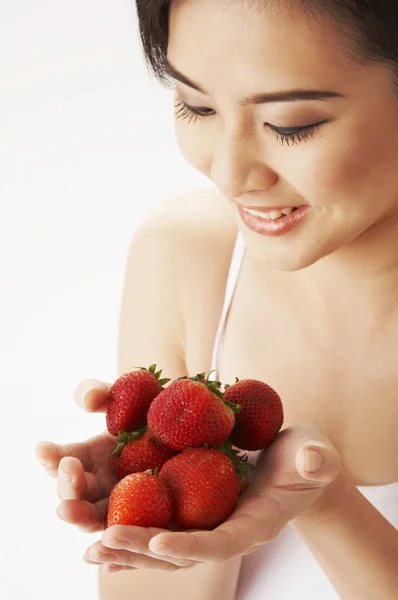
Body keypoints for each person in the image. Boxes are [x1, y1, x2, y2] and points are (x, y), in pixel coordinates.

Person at [35, 0, 398, 598]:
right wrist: (194, 493)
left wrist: (324, 502)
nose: (231, 175)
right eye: (195, 105)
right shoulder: (187, 253)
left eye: (291, 124)